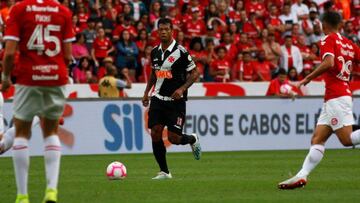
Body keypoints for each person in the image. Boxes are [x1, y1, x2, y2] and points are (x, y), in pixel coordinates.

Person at [1, 0, 75, 202]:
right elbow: (68, 55)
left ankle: (22, 195)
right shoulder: (63, 11)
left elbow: (9, 53)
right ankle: (51, 191)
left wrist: (6, 78)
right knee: (50, 132)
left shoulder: (19, 9)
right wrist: (57, 73)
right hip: (56, 77)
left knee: (21, 134)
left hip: (28, 78)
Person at [278, 11, 360, 190]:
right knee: (318, 138)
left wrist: (308, 78)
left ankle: (302, 175)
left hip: (336, 96)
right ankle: (302, 176)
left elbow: (329, 62)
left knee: (346, 140)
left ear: (324, 24)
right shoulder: (350, 44)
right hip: (340, 95)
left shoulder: (327, 40)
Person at [142, 18, 201, 180]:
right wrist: (147, 92)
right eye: (160, 29)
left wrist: (181, 89)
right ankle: (164, 172)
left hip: (176, 102)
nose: (163, 32)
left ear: (172, 31)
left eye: (166, 29)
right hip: (158, 99)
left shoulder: (181, 52)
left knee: (174, 138)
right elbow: (155, 74)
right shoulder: (154, 51)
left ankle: (192, 139)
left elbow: (195, 73)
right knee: (155, 132)